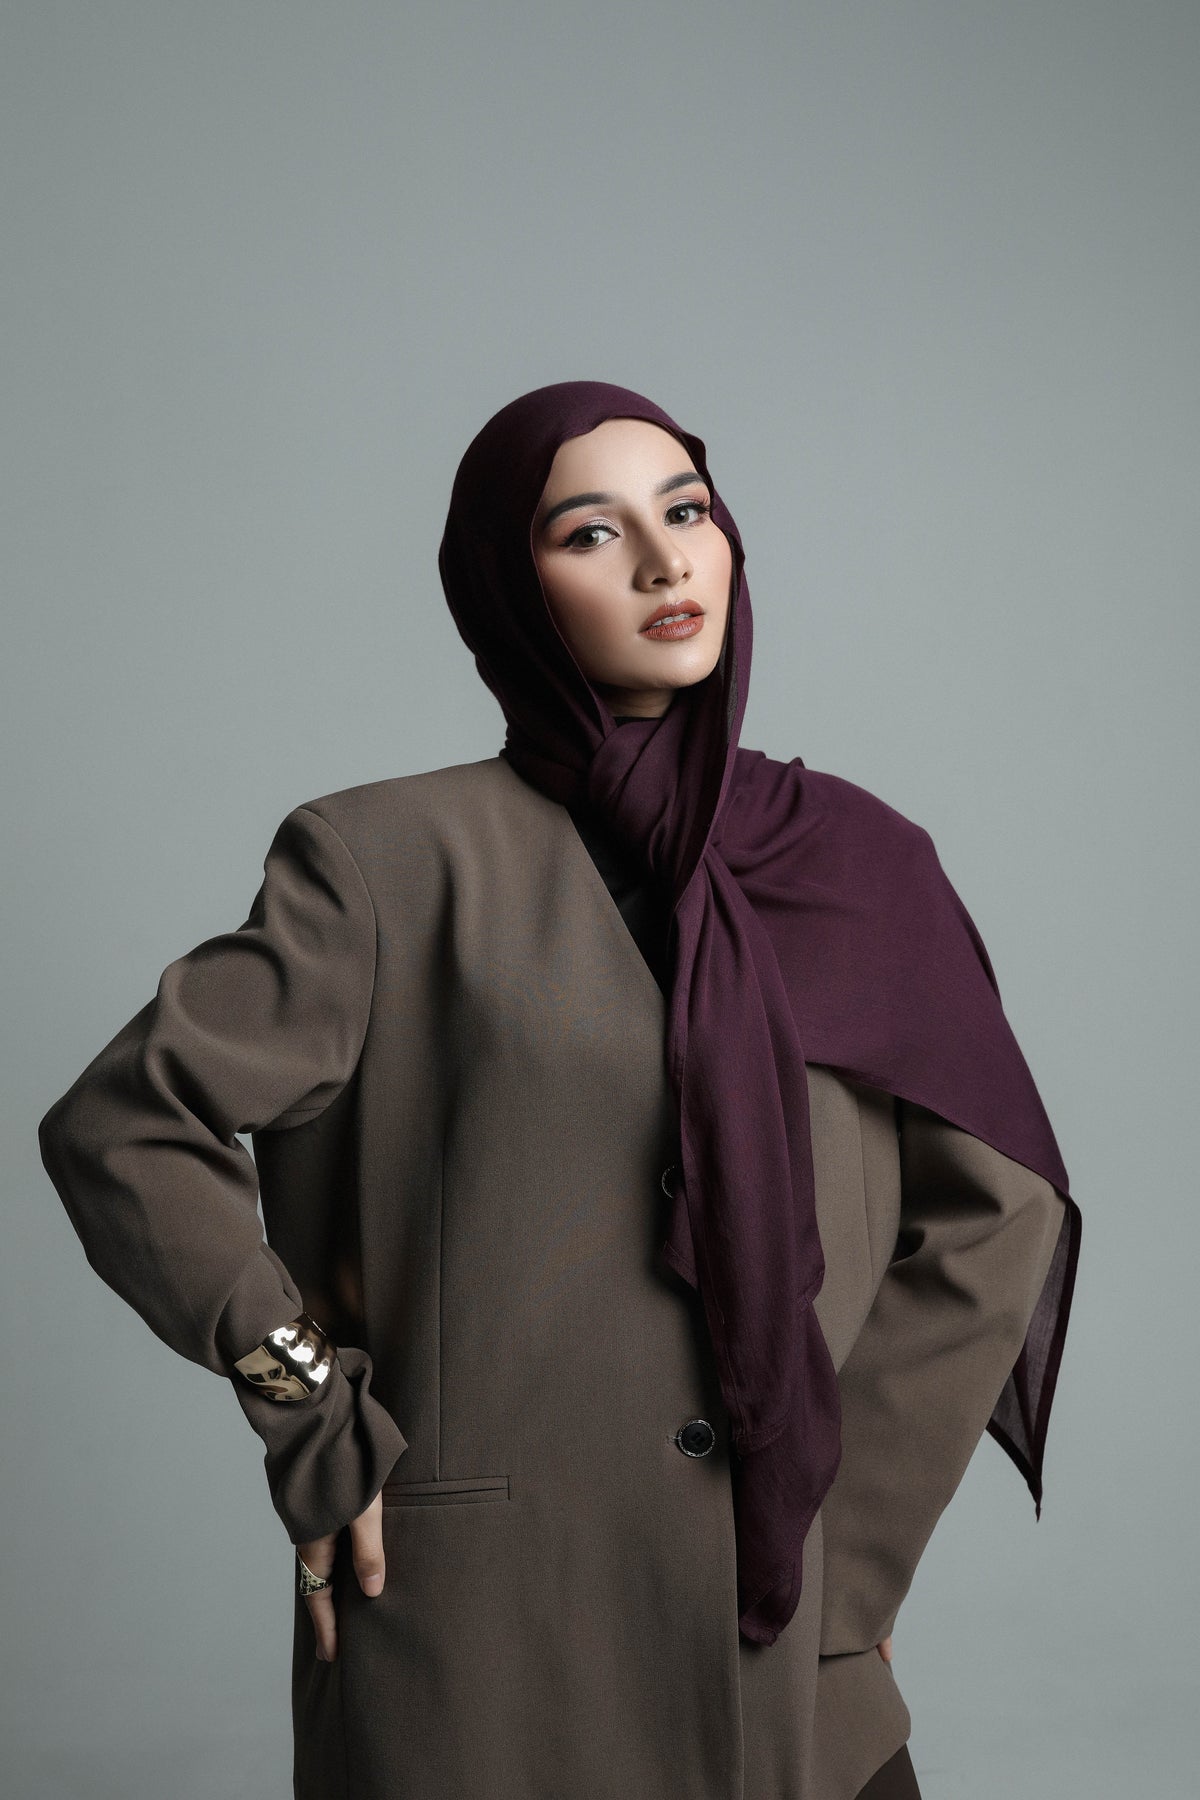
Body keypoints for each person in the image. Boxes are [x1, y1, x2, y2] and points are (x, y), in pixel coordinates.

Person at [37, 379, 1081, 1800]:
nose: (662, 563)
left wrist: (845, 1568)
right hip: (485, 1662)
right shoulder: (387, 865)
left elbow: (999, 1216)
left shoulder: (858, 864)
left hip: (789, 1670)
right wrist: (307, 1404)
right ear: (505, 589)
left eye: (687, 512)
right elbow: (124, 1124)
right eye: (590, 532)